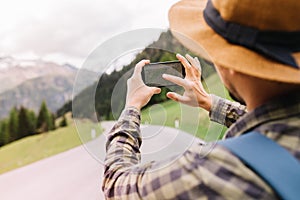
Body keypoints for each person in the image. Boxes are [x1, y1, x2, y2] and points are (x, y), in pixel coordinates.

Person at [102, 0, 300, 199]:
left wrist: (132, 106)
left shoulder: (215, 171)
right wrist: (207, 101)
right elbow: (273, 123)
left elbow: (117, 185)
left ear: (231, 63)